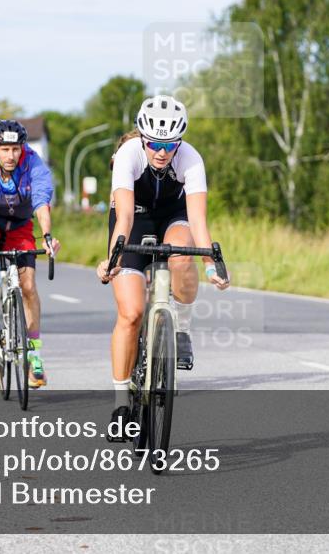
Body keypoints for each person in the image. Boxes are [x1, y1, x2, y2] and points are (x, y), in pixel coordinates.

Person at [96, 95, 229, 436]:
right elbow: (123, 216)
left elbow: (198, 220)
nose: (160, 151)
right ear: (142, 138)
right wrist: (113, 258)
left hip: (174, 215)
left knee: (183, 252)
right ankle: (121, 402)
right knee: (131, 313)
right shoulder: (128, 155)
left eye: (169, 145)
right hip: (135, 218)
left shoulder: (191, 159)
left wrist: (213, 263)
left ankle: (181, 329)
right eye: (154, 143)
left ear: (178, 143)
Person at [0, 119, 60, 389]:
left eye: (16, 149)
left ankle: (34, 355)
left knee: (28, 286)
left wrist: (48, 235)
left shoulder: (32, 162)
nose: (11, 156)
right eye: (5, 150)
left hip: (19, 225)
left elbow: (41, 199)